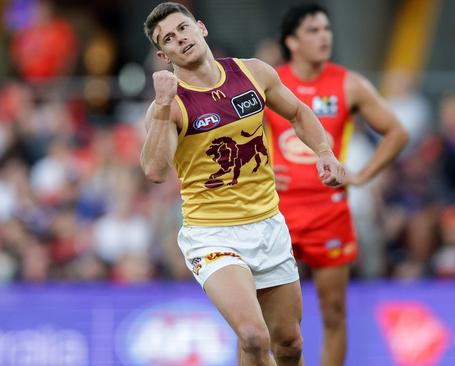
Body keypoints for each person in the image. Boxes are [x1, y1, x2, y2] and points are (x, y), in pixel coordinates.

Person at [140, 3, 347, 365]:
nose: (180, 39)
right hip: (212, 234)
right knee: (253, 336)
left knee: (290, 344)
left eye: (183, 28)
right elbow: (155, 170)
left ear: (200, 28)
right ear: (163, 54)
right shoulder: (170, 106)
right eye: (168, 39)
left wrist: (324, 151)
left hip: (267, 225)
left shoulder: (252, 73)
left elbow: (298, 112)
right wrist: (160, 103)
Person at [265, 4, 407, 365]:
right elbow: (231, 135)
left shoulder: (349, 83)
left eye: (326, 28)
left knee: (333, 312)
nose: (325, 36)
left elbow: (397, 132)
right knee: (271, 323)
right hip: (276, 213)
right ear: (292, 42)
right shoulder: (267, 83)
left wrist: (360, 176)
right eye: (313, 30)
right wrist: (261, 171)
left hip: (329, 212)